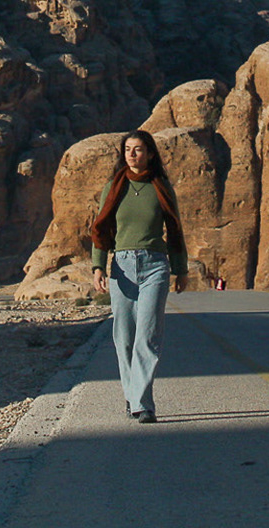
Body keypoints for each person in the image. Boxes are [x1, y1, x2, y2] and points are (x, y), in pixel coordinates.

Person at [90, 129, 187, 423]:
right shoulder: (114, 188)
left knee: (148, 334)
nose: (132, 154)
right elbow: (102, 228)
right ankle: (131, 396)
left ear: (151, 153)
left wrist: (180, 269)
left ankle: (143, 403)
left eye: (139, 149)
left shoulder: (161, 188)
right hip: (121, 266)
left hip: (155, 266)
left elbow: (175, 229)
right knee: (124, 338)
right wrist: (98, 266)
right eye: (128, 149)